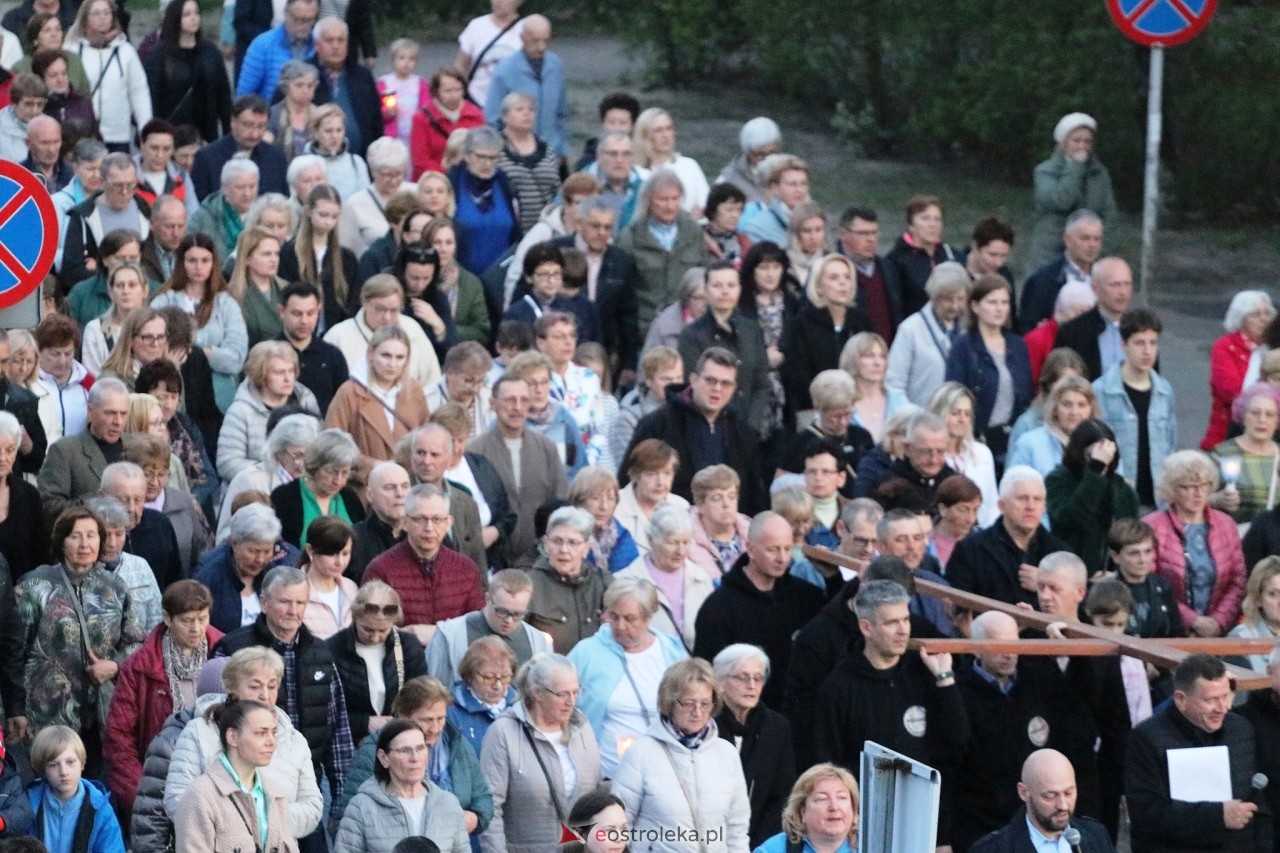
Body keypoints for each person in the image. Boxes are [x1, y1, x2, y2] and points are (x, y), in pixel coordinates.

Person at [811, 579, 968, 843]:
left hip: (924, 821)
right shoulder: (839, 686)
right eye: (891, 622)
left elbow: (957, 743)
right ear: (866, 627)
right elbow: (828, 764)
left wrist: (944, 678)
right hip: (865, 826)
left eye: (906, 620)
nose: (903, 630)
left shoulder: (924, 673)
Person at [15, 506, 147, 774]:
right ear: (61, 542)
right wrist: (13, 710)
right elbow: (13, 651)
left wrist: (115, 665)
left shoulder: (115, 587)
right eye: (76, 536)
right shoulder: (35, 586)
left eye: (92, 535)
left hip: (102, 716)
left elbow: (136, 644)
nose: (85, 544)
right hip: (48, 716)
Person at [163, 647, 322, 844]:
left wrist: (268, 819)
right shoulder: (199, 732)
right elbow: (177, 800)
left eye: (272, 686)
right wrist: (235, 823)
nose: (265, 695)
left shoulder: (294, 741)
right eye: (255, 686)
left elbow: (313, 807)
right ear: (232, 690)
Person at [1126, 654, 1270, 853]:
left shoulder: (1240, 729)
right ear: (1181, 700)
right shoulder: (1147, 739)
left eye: (1226, 696)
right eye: (1210, 700)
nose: (1222, 708)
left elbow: (1256, 803)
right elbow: (1146, 814)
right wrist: (1218, 816)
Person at [104, 580, 220, 815]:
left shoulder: (224, 653)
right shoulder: (139, 667)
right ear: (167, 619)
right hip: (159, 783)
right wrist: (141, 793)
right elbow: (119, 737)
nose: (196, 629)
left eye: (203, 618)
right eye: (187, 621)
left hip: (216, 783)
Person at [612, 657, 750, 851]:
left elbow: (737, 829)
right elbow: (618, 824)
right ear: (669, 702)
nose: (697, 712)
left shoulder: (726, 753)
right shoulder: (641, 753)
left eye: (705, 703)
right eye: (688, 703)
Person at [694, 511, 825, 710]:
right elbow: (706, 675)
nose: (782, 558)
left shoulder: (806, 597)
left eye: (787, 549)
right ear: (750, 549)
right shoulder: (719, 608)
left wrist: (832, 579)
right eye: (773, 549)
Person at [479, 654, 602, 852]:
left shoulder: (582, 727)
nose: (571, 702)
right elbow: (490, 808)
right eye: (562, 694)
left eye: (575, 692)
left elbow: (597, 792)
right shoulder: (504, 732)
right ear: (537, 693)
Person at [567, 577, 688, 778]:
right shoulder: (586, 652)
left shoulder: (672, 651)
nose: (620, 626)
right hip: (606, 775)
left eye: (629, 618)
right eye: (614, 616)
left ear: (649, 617)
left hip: (665, 772)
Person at [625, 347, 767, 513]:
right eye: (710, 381)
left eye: (725, 383)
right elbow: (629, 480)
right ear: (693, 379)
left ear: (734, 388)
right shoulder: (657, 424)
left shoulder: (743, 434)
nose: (717, 389)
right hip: (672, 529)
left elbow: (754, 496)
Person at [172, 698, 300, 853]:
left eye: (273, 733)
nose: (272, 741)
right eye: (261, 733)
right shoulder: (200, 796)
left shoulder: (275, 794)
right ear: (232, 737)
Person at [363, 484, 485, 645]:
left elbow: (477, 627)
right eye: (420, 519)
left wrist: (438, 633)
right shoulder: (381, 569)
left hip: (454, 663)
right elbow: (370, 628)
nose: (429, 528)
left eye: (437, 519)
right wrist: (408, 637)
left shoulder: (466, 569)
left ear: (448, 523)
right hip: (402, 662)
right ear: (405, 522)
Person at [1146, 450, 1247, 637]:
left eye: (1204, 485)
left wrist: (1218, 622)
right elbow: (1150, 583)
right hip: (1169, 632)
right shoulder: (1153, 526)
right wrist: (1193, 621)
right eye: (1188, 487)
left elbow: (1238, 581)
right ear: (1172, 490)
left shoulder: (1226, 524)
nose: (1198, 493)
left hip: (1218, 632)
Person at [469, 373, 569, 561]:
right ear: (493, 403)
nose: (517, 407)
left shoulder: (546, 448)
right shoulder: (475, 451)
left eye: (524, 400)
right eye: (509, 400)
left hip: (539, 559)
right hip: (491, 559)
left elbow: (560, 501)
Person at [334, 717, 470, 853]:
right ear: (383, 758)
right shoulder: (362, 807)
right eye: (405, 750)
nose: (415, 758)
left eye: (420, 748)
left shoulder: (448, 804)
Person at [149, 232, 250, 410]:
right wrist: (211, 352)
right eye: (192, 260)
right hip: (174, 392)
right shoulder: (163, 301)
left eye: (205, 260)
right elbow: (154, 348)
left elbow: (236, 358)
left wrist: (198, 353)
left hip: (219, 397)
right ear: (181, 262)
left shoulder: (226, 303)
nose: (198, 267)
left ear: (213, 264)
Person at [325, 324, 430, 493]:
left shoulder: (414, 390)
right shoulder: (349, 392)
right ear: (371, 354)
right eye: (386, 355)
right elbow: (331, 445)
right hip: (363, 491)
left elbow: (427, 436)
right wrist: (372, 465)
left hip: (407, 489)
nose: (392, 364)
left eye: (400, 357)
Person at [947, 465, 1068, 607]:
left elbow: (1076, 609)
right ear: (1002, 505)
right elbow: (958, 609)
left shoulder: (1061, 554)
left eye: (1037, 499)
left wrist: (1044, 586)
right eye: (1022, 498)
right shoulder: (970, 550)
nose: (1030, 506)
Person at [1093, 307, 1176, 509]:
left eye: (1153, 343)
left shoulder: (1164, 391)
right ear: (1123, 345)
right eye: (1139, 343)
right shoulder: (1101, 390)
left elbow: (1170, 444)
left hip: (1158, 500)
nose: (1147, 351)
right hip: (1117, 500)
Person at [945, 273, 1033, 465]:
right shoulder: (963, 346)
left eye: (1004, 302)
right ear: (975, 307)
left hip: (1012, 440)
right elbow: (953, 396)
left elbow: (1026, 395)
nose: (999, 308)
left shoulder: (1018, 345)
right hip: (975, 440)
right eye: (992, 302)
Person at [678, 260, 772, 436]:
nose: (725, 291)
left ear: (739, 289)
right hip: (709, 429)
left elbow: (762, 384)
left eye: (731, 285)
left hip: (749, 431)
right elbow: (692, 386)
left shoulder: (752, 330)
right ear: (706, 290)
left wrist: (751, 426)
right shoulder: (691, 335)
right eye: (717, 285)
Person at [714, 644, 795, 849]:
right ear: (720, 681)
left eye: (758, 678)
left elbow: (782, 795)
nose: (752, 685)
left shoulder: (776, 727)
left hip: (761, 840)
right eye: (742, 677)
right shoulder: (706, 726)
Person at [970, 748, 1116, 853]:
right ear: (1024, 792)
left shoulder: (1096, 835)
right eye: (1050, 796)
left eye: (1068, 793)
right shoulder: (994, 849)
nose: (1063, 805)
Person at [780, 253, 872, 419]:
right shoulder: (800, 324)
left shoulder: (861, 321)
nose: (843, 283)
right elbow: (797, 378)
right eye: (834, 278)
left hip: (859, 408)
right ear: (819, 286)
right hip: (814, 411)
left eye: (847, 277)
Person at [425, 568, 549, 689]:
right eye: (501, 611)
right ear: (487, 599)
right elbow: (432, 690)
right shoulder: (449, 636)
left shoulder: (539, 643)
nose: (509, 620)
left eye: (518, 614)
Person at [1044, 418, 1139, 575]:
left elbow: (1130, 540)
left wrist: (1118, 574)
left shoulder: (1123, 490)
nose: (1102, 461)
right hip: (1069, 572)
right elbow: (1074, 517)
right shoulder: (1058, 480)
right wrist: (1095, 470)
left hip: (1112, 577)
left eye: (1105, 456)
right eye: (1091, 456)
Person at [216, 340, 321, 482]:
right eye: (279, 372)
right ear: (262, 376)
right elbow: (227, 463)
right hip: (254, 491)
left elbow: (321, 449)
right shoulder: (240, 411)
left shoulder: (307, 401)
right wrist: (275, 472)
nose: (288, 378)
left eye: (291, 371)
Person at [1027, 113, 1119, 270]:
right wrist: (1076, 167)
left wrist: (1098, 250)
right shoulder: (1045, 171)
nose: (1082, 146)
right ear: (1063, 143)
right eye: (1076, 140)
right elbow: (1061, 201)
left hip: (1089, 259)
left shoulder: (1099, 173)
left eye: (1087, 141)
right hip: (1050, 256)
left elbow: (1109, 215)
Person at [617, 505, 714, 650]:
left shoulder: (701, 578)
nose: (680, 551)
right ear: (651, 540)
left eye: (686, 542)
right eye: (673, 542)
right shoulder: (625, 580)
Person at [36, 376, 127, 524]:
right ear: (91, 410)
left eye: (123, 414)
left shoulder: (135, 449)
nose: (118, 422)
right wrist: (98, 505)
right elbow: (49, 506)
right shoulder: (65, 451)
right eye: (110, 413)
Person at [525, 506, 613, 653]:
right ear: (545, 543)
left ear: (586, 548)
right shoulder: (529, 585)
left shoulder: (603, 582)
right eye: (557, 541)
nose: (564, 550)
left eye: (573, 542)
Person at [65, 0, 150, 152]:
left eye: (106, 13)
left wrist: (146, 130)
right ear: (85, 18)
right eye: (96, 13)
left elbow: (139, 92)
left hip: (118, 135)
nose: (102, 18)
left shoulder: (126, 51)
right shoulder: (71, 49)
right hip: (83, 134)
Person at [142, 0, 231, 143]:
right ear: (176, 18)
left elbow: (224, 95)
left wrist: (228, 133)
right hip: (171, 130)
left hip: (205, 131)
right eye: (187, 14)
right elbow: (152, 97)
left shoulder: (210, 51)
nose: (194, 18)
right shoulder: (160, 54)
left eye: (196, 13)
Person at [197, 503, 294, 632]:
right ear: (234, 544)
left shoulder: (276, 574)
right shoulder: (208, 577)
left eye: (267, 551)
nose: (260, 559)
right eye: (253, 551)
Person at [26, 726, 126, 853]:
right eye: (53, 765)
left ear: (82, 763)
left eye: (70, 762)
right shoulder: (29, 804)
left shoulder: (100, 809)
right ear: (42, 769)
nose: (64, 772)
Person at [886, 260, 970, 406]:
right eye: (948, 300)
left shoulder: (969, 328)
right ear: (934, 297)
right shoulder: (910, 329)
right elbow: (894, 384)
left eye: (960, 299)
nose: (955, 306)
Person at [268, 429, 365, 550]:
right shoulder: (284, 497)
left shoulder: (349, 498)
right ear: (315, 466)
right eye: (331, 472)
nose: (338, 480)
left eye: (345, 473)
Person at [1204, 291, 1276, 450]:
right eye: (1256, 314)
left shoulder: (1273, 349)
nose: (1263, 319)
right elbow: (1230, 390)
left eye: (1267, 313)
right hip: (1229, 434)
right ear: (1241, 319)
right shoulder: (1224, 346)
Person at [446, 126, 520, 275]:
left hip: (500, 278)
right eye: (481, 157)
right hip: (461, 277)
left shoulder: (505, 184)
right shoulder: (451, 183)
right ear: (466, 156)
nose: (487, 164)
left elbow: (516, 234)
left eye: (493, 158)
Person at [1018, 210, 1105, 336]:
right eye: (1085, 238)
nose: (1092, 245)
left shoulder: (1108, 277)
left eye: (1097, 239)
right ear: (1067, 240)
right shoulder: (1042, 281)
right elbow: (1027, 331)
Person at [189, 95, 288, 200]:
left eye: (261, 126)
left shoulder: (276, 157)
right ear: (233, 122)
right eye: (248, 125)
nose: (255, 134)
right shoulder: (207, 158)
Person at [308, 16, 380, 158]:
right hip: (317, 163)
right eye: (329, 40)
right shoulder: (304, 75)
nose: (336, 46)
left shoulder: (362, 75)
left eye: (340, 40)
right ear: (316, 44)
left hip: (360, 162)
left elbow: (376, 122)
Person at [1054, 257, 1134, 382]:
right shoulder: (1073, 333)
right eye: (1115, 285)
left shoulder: (1140, 329)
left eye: (1127, 284)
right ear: (1095, 288)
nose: (1123, 292)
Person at [1212, 383, 1280, 525]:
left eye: (1269, 414)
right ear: (1243, 416)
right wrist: (1218, 499)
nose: (1262, 420)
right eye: (1255, 413)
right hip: (1235, 538)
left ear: (1277, 421)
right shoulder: (1223, 453)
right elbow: (1194, 498)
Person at [753, 763, 859, 853]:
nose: (834, 807)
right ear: (802, 810)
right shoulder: (772, 850)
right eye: (822, 799)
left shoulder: (870, 846)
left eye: (842, 798)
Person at [1008, 375, 1098, 478]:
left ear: (1091, 409)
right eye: (1067, 404)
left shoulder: (1102, 444)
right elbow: (1014, 485)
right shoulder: (1029, 443)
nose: (1074, 412)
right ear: (1055, 408)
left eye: (1081, 405)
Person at [341, 137, 416, 258]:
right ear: (373, 171)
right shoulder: (355, 203)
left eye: (399, 173)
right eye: (388, 175)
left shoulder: (415, 193)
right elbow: (348, 248)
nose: (394, 180)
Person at [423, 217, 493, 347]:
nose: (443, 249)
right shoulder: (416, 277)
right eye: (437, 242)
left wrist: (446, 330)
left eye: (449, 243)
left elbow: (482, 331)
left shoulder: (470, 282)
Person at [883, 194, 956, 317]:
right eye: (925, 218)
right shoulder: (896, 260)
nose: (932, 225)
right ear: (911, 225)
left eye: (937, 219)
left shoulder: (950, 254)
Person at [446, 636, 518, 759]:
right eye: (488, 678)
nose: (498, 686)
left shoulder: (521, 706)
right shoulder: (450, 710)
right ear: (469, 676)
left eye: (505, 677)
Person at [614, 439, 688, 554]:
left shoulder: (681, 506)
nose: (660, 482)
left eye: (667, 473)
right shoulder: (615, 506)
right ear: (634, 475)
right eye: (651, 474)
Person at [410, 66, 484, 179]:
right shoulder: (421, 119)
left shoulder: (476, 115)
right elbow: (420, 161)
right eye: (447, 91)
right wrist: (448, 176)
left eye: (458, 90)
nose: (454, 95)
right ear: (436, 92)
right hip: (434, 181)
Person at [633, 107, 709, 216]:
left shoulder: (689, 166)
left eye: (669, 129)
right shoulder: (636, 173)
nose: (665, 135)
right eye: (658, 130)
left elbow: (705, 205)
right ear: (645, 135)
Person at [235, 0, 317, 99]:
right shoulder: (262, 46)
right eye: (298, 19)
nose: (304, 25)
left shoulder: (319, 46)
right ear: (286, 13)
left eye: (309, 20)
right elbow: (244, 98)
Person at [455, 0, 525, 110]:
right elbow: (461, 66)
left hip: (514, 106)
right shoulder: (476, 26)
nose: (499, 2)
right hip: (476, 101)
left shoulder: (526, 29)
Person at [0, 412, 45, 580]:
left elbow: (41, 558)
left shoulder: (29, 496)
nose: (2, 458)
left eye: (10, 450)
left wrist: (28, 589)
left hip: (20, 600)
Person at [739, 153, 810, 246]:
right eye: (792, 184)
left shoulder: (815, 221)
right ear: (775, 188)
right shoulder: (757, 227)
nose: (799, 190)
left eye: (803, 184)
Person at [716, 116, 781, 204]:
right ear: (747, 152)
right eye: (760, 154)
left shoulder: (789, 171)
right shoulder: (727, 181)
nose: (767, 159)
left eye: (772, 153)